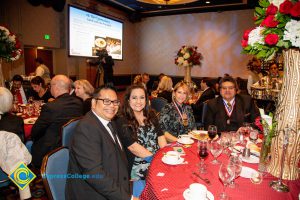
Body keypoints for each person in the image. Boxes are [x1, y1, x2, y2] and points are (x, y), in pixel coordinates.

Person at [66, 85, 130, 200]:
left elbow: (116, 156)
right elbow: (93, 174)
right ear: (93, 103)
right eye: (106, 101)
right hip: (92, 194)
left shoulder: (109, 121)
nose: (112, 106)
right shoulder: (86, 129)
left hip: (115, 185)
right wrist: (127, 198)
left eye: (115, 102)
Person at [117, 85, 167, 199]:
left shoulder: (151, 114)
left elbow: (160, 136)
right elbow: (133, 147)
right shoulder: (122, 119)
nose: (138, 101)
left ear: (147, 99)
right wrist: (156, 160)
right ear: (128, 100)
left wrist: (164, 155)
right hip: (137, 165)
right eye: (134, 98)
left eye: (142, 97)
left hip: (156, 159)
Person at [31, 75, 83, 168]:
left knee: (25, 145)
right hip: (72, 146)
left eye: (50, 86)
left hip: (51, 151)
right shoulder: (78, 103)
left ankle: (26, 180)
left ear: (55, 87)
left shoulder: (50, 107)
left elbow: (34, 132)